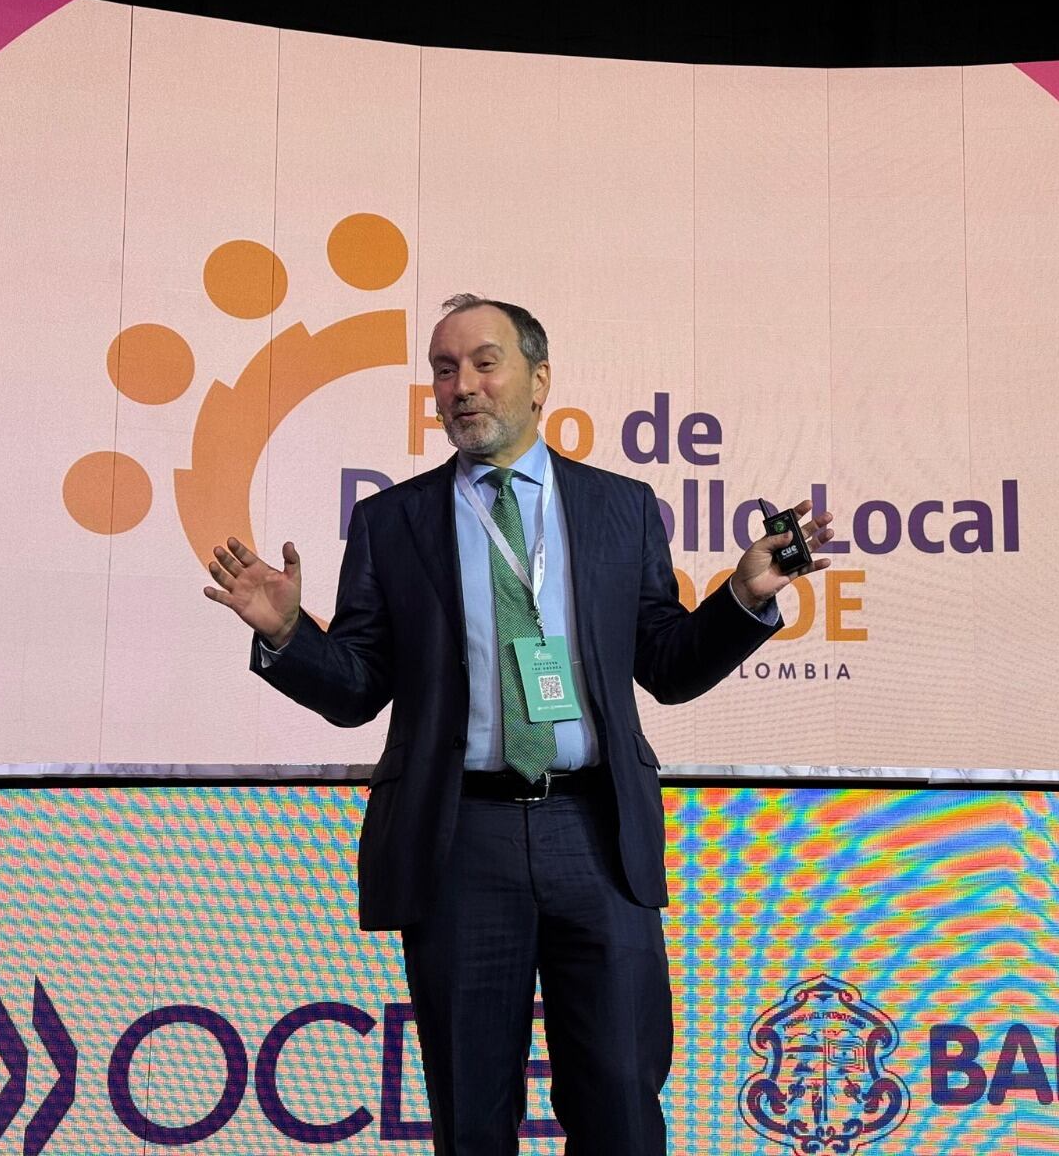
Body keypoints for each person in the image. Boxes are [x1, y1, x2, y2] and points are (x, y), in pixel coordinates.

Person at [202, 294, 834, 1156]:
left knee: (620, 1109)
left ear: (540, 381)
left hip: (596, 834)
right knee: (471, 1118)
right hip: (460, 838)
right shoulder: (393, 523)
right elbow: (359, 689)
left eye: (485, 362)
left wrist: (743, 598)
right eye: (444, 369)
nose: (462, 386)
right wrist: (287, 634)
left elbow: (669, 664)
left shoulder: (622, 507)